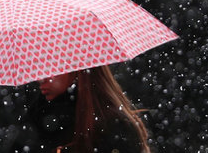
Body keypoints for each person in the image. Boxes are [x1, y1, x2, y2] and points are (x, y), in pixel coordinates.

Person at [13, 65, 151, 153]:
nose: (41, 78)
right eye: (38, 65)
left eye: (50, 66)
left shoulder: (113, 127)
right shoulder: (34, 121)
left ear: (77, 68)